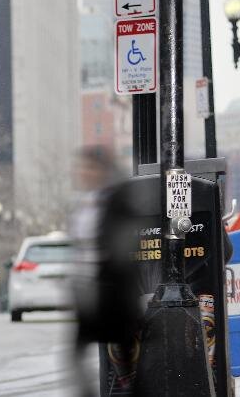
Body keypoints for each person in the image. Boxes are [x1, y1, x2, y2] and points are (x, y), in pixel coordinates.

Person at [68, 147, 142, 397]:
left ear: (101, 171)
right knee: (79, 354)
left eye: (89, 167)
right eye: (82, 167)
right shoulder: (85, 202)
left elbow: (121, 246)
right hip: (90, 290)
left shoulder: (118, 199)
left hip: (113, 291)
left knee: (125, 356)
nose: (83, 172)